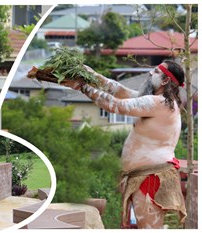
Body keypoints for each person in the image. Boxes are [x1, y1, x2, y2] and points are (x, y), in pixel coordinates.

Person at [72, 60, 186, 228]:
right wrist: (90, 75)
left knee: (149, 228)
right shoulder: (157, 101)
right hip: (143, 176)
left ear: (165, 81)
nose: (150, 73)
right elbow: (120, 90)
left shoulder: (160, 103)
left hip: (150, 178)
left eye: (155, 72)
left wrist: (82, 87)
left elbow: (116, 105)